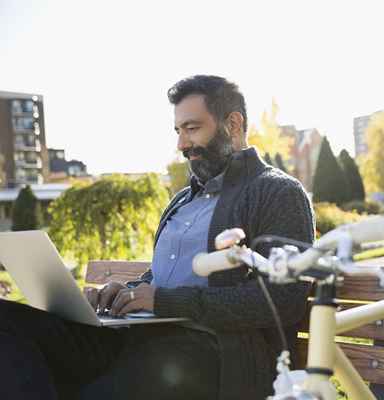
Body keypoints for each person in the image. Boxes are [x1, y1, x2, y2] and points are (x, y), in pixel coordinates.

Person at [0, 75, 315, 400]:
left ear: (233, 124)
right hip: (141, 336)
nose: (181, 144)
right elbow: (162, 277)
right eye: (178, 131)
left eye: (192, 128)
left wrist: (162, 300)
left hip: (215, 353)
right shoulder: (182, 200)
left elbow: (282, 300)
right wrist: (126, 293)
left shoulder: (276, 192)